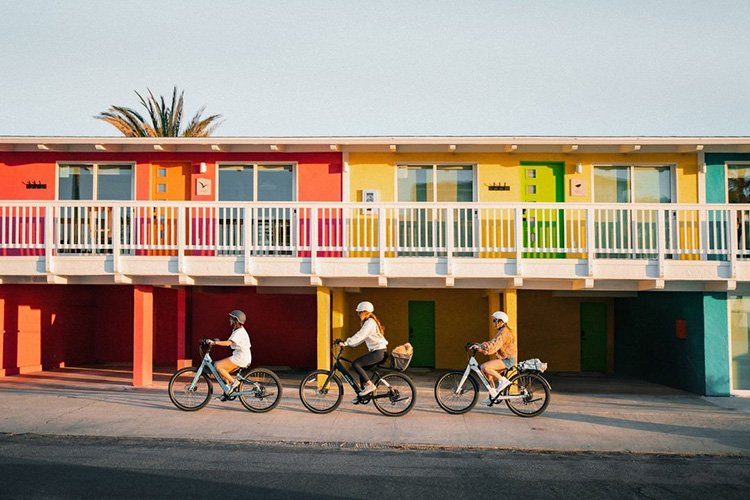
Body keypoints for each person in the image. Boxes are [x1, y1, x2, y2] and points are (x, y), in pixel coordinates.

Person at [335, 301, 388, 403]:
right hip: (378, 351)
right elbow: (360, 339)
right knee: (361, 367)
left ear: (365, 312)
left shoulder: (370, 323)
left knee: (356, 364)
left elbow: (360, 335)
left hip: (378, 352)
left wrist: (346, 343)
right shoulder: (369, 322)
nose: (358, 314)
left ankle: (369, 386)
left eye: (359, 312)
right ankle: (362, 395)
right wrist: (348, 343)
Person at [472, 310, 517, 405]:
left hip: (508, 360)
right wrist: (479, 345)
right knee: (488, 374)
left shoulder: (504, 332)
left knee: (485, 367)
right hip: (505, 359)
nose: (493, 323)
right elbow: (492, 342)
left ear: (501, 322)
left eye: (494, 321)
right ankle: (493, 396)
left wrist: (480, 348)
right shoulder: (502, 331)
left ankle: (503, 381)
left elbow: (494, 346)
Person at [210, 309, 252, 394]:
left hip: (241, 358)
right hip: (240, 357)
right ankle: (228, 392)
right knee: (222, 372)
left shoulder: (239, 332)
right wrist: (217, 341)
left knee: (217, 365)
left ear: (236, 320)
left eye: (231, 318)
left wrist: (214, 342)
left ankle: (234, 383)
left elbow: (228, 343)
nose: (230, 320)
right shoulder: (237, 330)